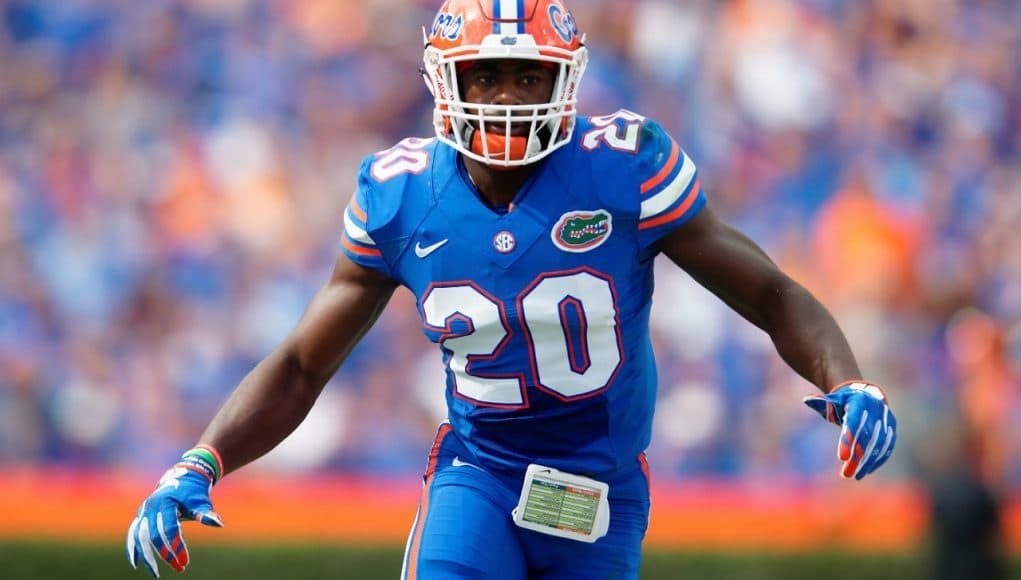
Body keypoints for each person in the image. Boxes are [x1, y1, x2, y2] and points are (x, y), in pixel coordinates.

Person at [126, 0, 897, 577]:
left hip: (600, 488)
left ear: (565, 80)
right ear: (442, 80)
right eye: (483, 75)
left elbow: (768, 292)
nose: (503, 95)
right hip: (480, 472)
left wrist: (848, 379)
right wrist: (202, 460)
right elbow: (301, 364)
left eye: (527, 74)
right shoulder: (402, 196)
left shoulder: (622, 167)